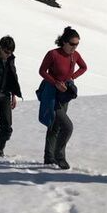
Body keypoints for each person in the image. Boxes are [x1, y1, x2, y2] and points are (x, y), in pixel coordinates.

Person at [37, 26, 87, 169]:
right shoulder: (53, 54)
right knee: (67, 126)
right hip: (50, 94)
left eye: (77, 44)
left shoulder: (75, 55)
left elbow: (84, 67)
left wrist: (71, 78)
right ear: (64, 42)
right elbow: (42, 71)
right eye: (72, 44)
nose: (74, 47)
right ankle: (60, 157)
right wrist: (55, 83)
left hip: (64, 96)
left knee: (55, 126)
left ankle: (48, 157)